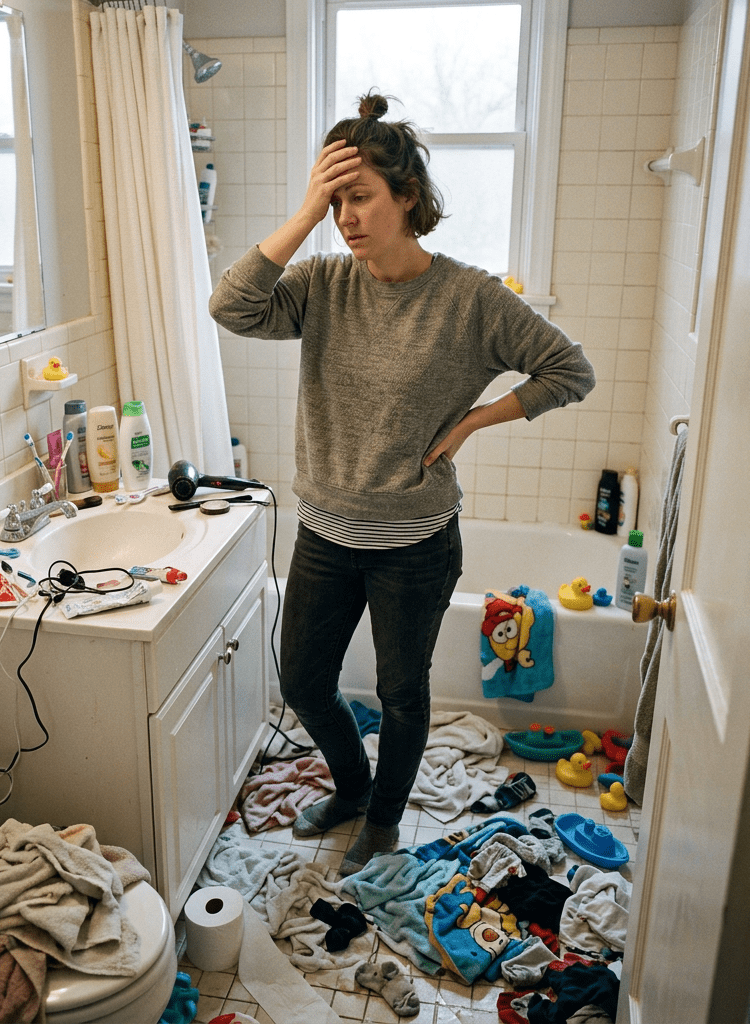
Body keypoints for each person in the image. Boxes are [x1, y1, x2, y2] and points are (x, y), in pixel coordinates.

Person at [209, 92, 595, 875]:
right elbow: (231, 305)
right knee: (304, 684)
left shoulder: (469, 298)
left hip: (414, 545)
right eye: (335, 199)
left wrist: (473, 422)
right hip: (326, 531)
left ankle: (383, 820)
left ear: (407, 196)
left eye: (359, 197)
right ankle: (353, 787)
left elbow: (570, 369)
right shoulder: (319, 282)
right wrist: (305, 209)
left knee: (402, 694)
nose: (345, 216)